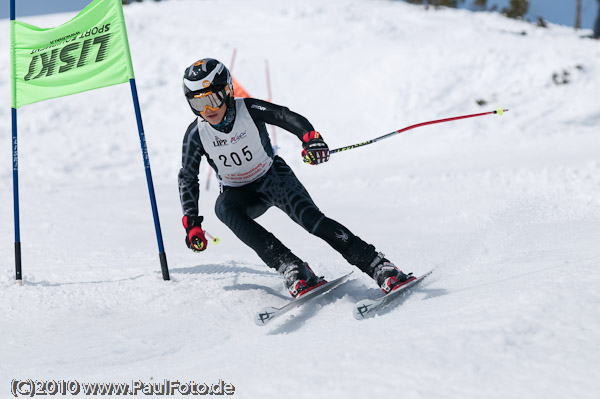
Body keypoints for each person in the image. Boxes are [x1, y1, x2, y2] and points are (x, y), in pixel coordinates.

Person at [178, 58, 415, 298]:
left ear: (228, 91)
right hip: (240, 194)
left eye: (213, 99)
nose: (209, 110)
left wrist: (310, 138)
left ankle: (377, 265)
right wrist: (192, 223)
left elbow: (283, 115)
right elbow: (187, 176)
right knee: (223, 208)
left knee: (311, 220)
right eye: (198, 104)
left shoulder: (247, 109)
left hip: (272, 178)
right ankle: (291, 267)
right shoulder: (197, 133)